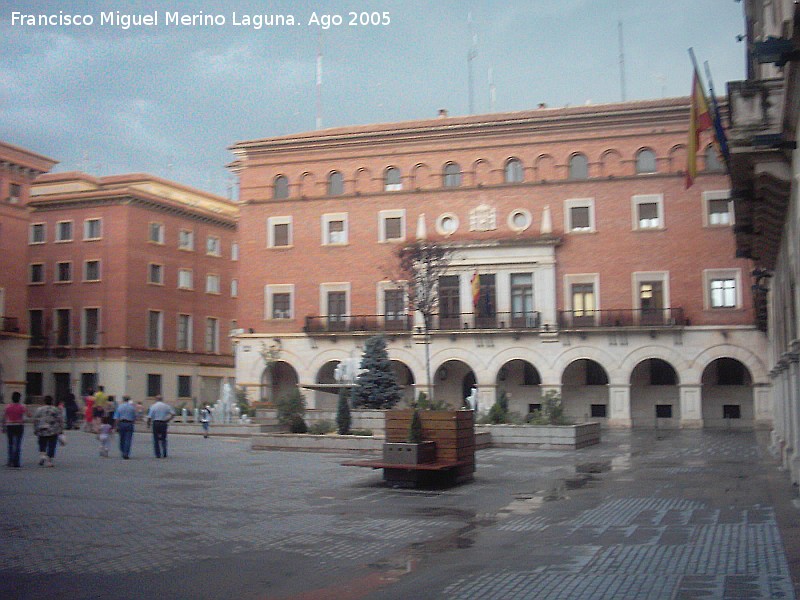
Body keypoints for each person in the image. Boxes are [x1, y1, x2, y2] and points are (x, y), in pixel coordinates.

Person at [33, 395, 64, 467]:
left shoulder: (39, 409)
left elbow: (35, 419)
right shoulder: (55, 409)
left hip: (42, 429)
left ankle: (42, 455)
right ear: (52, 401)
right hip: (53, 430)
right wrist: (61, 429)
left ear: (44, 401)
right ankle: (49, 460)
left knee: (42, 443)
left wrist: (35, 429)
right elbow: (60, 420)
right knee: (51, 445)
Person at [2, 392, 28, 468]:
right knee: (18, 444)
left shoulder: (8, 407)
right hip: (19, 425)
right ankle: (16, 462)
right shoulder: (22, 406)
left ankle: (10, 461)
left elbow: (4, 417)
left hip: (10, 425)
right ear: (19, 398)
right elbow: (28, 415)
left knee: (10, 444)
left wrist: (3, 427)